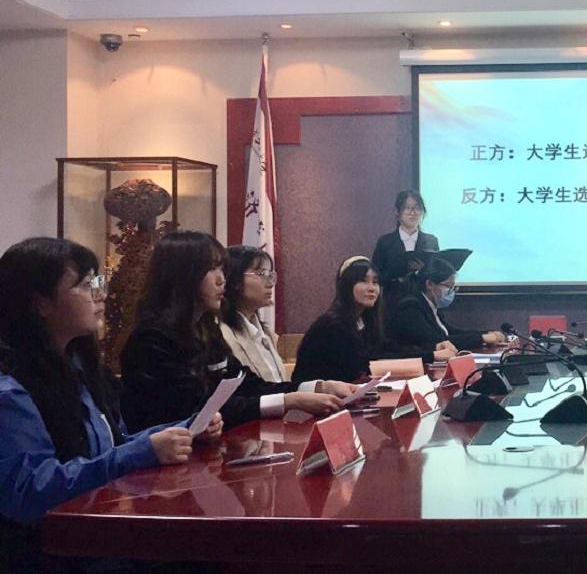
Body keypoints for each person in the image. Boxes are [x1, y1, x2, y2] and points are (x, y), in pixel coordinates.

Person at [0, 237, 220, 572]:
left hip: (99, 533)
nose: (100, 295)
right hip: (54, 554)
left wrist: (185, 430)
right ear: (40, 303)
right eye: (86, 285)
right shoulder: (11, 388)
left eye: (98, 282)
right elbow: (29, 491)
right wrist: (138, 453)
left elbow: (112, 445)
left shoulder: (78, 366)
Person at [120, 231, 354, 433]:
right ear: (183, 275)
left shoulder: (205, 330)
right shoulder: (152, 339)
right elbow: (198, 409)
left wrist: (318, 387)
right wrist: (289, 401)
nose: (222, 279)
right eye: (211, 269)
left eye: (222, 269)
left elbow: (246, 384)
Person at [378, 253, 505, 363]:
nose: (451, 292)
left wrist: (485, 334)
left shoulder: (430, 305)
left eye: (454, 287)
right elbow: (439, 340)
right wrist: (481, 338)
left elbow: (449, 332)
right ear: (429, 284)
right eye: (448, 286)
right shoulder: (410, 308)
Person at [292, 256, 383, 383]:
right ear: (347, 285)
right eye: (364, 281)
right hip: (319, 392)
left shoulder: (365, 322)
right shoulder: (332, 325)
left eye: (375, 282)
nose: (372, 288)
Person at [218, 245, 285, 382]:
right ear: (235, 280)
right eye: (261, 274)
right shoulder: (220, 333)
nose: (270, 283)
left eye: (271, 275)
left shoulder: (265, 332)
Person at [372, 190, 439, 305]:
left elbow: (437, 275)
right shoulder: (385, 242)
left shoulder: (431, 241)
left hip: (422, 303)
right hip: (393, 303)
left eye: (417, 208)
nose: (413, 212)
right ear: (397, 212)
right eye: (407, 208)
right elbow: (376, 276)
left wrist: (422, 270)